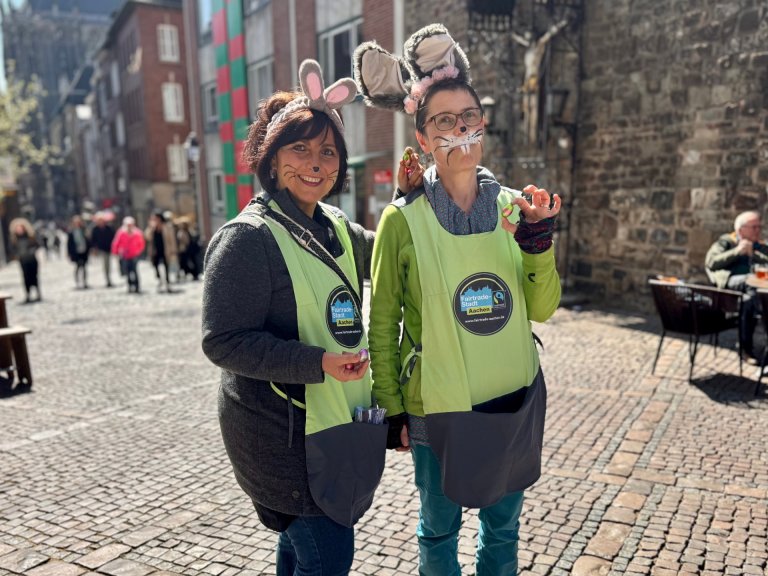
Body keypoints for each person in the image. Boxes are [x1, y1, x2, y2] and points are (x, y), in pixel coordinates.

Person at [355, 24, 562, 575]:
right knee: (439, 530)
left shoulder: (514, 208)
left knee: (503, 530)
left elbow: (542, 308)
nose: (459, 130)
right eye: (444, 121)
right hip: (436, 405)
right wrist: (391, 406)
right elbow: (382, 323)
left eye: (469, 118)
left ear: (483, 126)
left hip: (511, 394)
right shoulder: (401, 220)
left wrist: (539, 243)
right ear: (422, 137)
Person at [201, 59, 386, 576]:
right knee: (327, 555)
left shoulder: (336, 225)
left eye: (328, 151)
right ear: (272, 157)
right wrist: (317, 362)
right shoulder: (247, 239)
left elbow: (395, 254)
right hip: (280, 443)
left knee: (299, 552)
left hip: (331, 427)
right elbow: (224, 341)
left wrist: (424, 197)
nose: (316, 162)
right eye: (300, 148)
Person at [705, 210, 768, 362]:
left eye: (759, 227)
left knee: (748, 300)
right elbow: (711, 262)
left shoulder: (759, 245)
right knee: (750, 282)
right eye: (754, 227)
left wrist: (753, 254)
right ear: (741, 229)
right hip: (730, 285)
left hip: (754, 289)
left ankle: (746, 348)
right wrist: (737, 252)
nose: (758, 230)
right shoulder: (726, 241)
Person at [145, 210, 178, 293]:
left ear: (159, 218)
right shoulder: (152, 228)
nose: (154, 220)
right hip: (155, 251)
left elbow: (172, 239)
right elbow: (147, 237)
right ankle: (159, 279)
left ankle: (167, 282)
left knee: (166, 266)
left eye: (155, 218)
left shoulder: (167, 226)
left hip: (165, 250)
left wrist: (173, 250)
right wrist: (151, 228)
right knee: (155, 265)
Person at [8, 218, 41, 303]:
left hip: (32, 259)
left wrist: (32, 251)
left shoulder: (30, 236)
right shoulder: (15, 239)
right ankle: (28, 295)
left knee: (34, 276)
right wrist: (17, 255)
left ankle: (38, 293)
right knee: (26, 278)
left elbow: (37, 245)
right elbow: (12, 249)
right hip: (23, 261)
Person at [111, 216, 146, 294]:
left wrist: (138, 251)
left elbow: (141, 243)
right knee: (127, 271)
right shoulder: (121, 232)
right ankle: (130, 286)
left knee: (135, 271)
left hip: (134, 255)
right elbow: (116, 243)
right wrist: (115, 252)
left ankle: (137, 286)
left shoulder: (137, 233)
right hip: (125, 255)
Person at [91, 212, 116, 287]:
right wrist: (94, 249)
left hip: (109, 248)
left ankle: (109, 278)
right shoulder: (95, 229)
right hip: (101, 249)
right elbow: (93, 240)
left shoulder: (109, 228)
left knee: (108, 264)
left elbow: (113, 237)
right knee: (106, 264)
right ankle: (108, 279)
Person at [66, 215, 90, 289]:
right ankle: (77, 282)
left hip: (84, 251)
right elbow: (69, 244)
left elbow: (88, 240)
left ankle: (85, 281)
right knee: (77, 267)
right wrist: (69, 253)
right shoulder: (71, 232)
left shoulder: (84, 230)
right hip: (76, 252)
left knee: (84, 267)